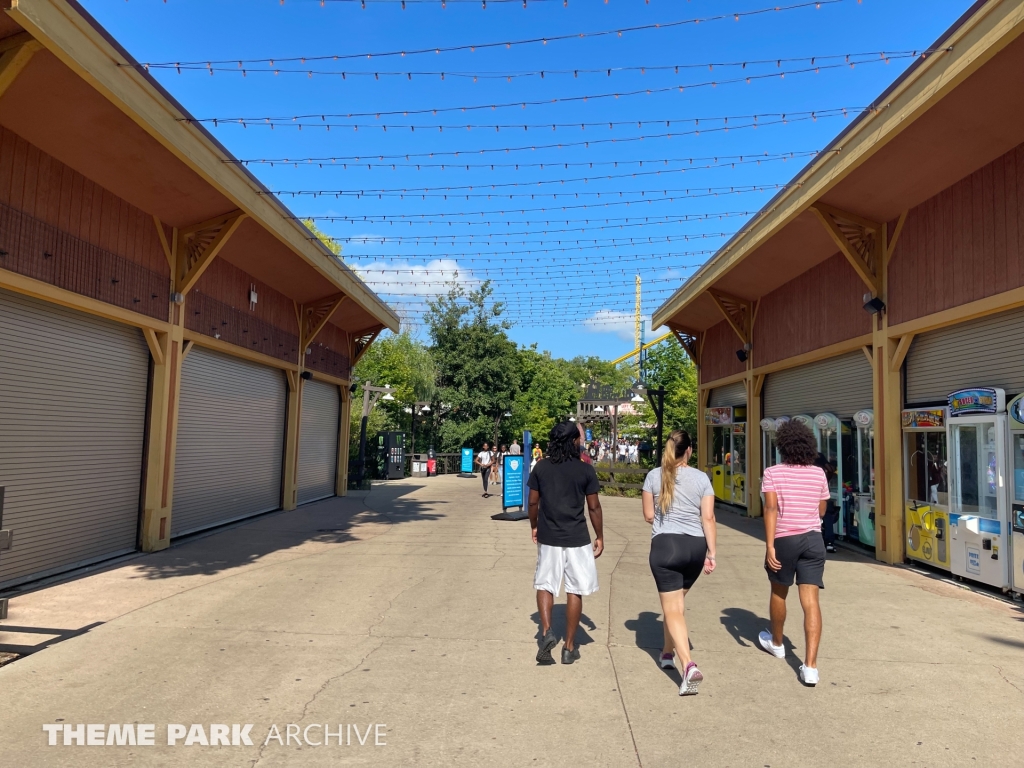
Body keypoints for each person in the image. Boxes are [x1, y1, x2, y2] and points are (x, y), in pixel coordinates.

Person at [641, 429, 717, 695]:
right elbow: (708, 518)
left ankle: (688, 665)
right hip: (695, 547)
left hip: (667, 546)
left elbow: (649, 515)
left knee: (672, 608)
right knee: (677, 605)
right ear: (689, 451)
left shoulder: (653, 476)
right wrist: (712, 554)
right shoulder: (702, 479)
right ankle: (666, 652)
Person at [758, 420, 830, 687]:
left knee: (779, 591)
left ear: (783, 446)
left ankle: (777, 643)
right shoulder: (818, 474)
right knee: (811, 601)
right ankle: (810, 667)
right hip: (813, 540)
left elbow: (771, 509)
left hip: (785, 539)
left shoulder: (773, 473)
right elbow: (822, 511)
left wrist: (769, 545)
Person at [528, 422, 604, 665]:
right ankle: (569, 647)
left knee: (545, 584)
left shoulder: (541, 467)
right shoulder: (585, 470)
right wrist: (599, 535)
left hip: (549, 536)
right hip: (577, 538)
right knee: (575, 589)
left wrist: (534, 525)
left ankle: (547, 631)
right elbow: (593, 507)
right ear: (574, 442)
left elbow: (532, 503)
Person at [815, 453, 838, 554]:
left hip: (809, 497)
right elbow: (830, 470)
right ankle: (829, 542)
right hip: (822, 496)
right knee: (827, 516)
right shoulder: (823, 471)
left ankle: (816, 542)